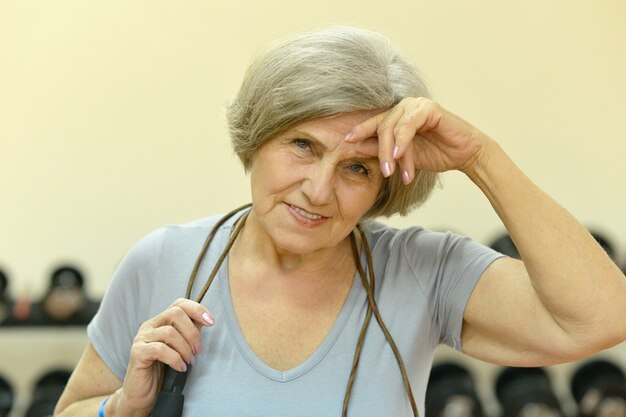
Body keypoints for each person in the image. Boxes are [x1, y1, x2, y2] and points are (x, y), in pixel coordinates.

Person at [54, 26, 626, 417]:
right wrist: (122, 406)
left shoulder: (423, 270)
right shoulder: (164, 260)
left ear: (384, 184)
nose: (319, 189)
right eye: (301, 144)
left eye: (355, 166)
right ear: (257, 138)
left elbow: (601, 318)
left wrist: (480, 157)